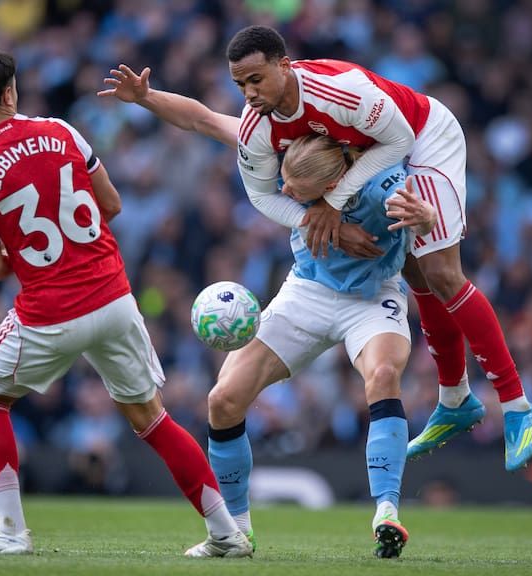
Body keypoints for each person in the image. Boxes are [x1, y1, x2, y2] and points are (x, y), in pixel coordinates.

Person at [99, 68, 438, 558]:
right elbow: (202, 120)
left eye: (294, 188)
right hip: (308, 291)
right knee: (223, 400)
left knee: (383, 374)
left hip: (373, 296)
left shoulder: (383, 186)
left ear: (334, 184)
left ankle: (387, 511)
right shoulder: (285, 149)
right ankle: (237, 532)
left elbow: (426, 214)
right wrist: (146, 97)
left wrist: (424, 218)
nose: (282, 189)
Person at [0, 45, 252, 559]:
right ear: (8, 92)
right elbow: (111, 204)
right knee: (153, 420)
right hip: (113, 297)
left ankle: (10, 531)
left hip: (50, 312)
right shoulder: (62, 131)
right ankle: (226, 533)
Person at [222, 25, 532, 472]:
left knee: (442, 273)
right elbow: (259, 194)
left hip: (423, 137)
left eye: (255, 80)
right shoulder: (259, 123)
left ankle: (517, 405)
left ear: (283, 65)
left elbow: (402, 141)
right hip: (377, 162)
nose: (248, 93)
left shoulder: (339, 91)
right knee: (415, 272)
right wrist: (318, 218)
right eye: (239, 84)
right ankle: (454, 400)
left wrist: (334, 205)